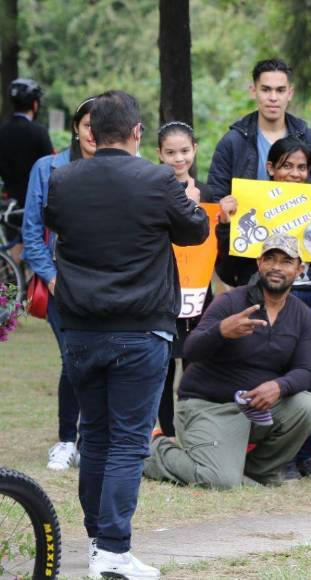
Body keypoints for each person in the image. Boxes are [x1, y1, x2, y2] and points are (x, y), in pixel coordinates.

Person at [44, 90, 209, 579]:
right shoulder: (157, 180)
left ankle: (101, 542)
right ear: (137, 132)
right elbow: (195, 231)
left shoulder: (63, 178)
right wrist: (191, 202)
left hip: (80, 328)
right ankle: (112, 552)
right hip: (140, 327)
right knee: (127, 442)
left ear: (91, 133)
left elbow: (55, 223)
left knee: (93, 436)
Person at [143, 234, 311, 490]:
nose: (276, 267)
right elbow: (191, 349)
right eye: (270, 259)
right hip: (209, 406)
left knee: (308, 405)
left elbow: (306, 370)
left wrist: (278, 386)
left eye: (286, 261)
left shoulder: (302, 314)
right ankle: (152, 451)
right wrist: (221, 332)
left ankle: (256, 471)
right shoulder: (231, 301)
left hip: (257, 411)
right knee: (220, 481)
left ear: (299, 269)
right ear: (259, 263)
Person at [218, 137, 311, 480]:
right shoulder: (251, 203)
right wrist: (226, 226)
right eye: (286, 166)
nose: (294, 173)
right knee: (263, 375)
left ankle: (308, 456)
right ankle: (271, 457)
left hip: (309, 298)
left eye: (301, 167)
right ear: (270, 168)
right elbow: (229, 271)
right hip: (261, 298)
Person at [22, 96, 96, 471]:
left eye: (101, 127)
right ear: (76, 128)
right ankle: (67, 439)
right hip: (61, 284)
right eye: (88, 125)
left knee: (99, 359)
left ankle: (91, 441)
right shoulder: (47, 168)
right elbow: (32, 232)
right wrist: (50, 277)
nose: (94, 134)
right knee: (73, 357)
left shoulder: (120, 169)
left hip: (104, 283)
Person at [208, 58, 311, 287]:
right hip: (249, 259)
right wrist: (224, 211)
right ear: (253, 90)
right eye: (266, 89)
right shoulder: (233, 142)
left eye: (280, 90)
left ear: (290, 93)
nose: (273, 97)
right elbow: (216, 196)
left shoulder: (309, 139)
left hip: (300, 260)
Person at [155, 121, 214, 437]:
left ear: (195, 150)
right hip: (164, 291)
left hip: (199, 292)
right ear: (159, 154)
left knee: (196, 363)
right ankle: (165, 430)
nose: (179, 159)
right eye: (170, 153)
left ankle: (193, 430)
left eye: (184, 151)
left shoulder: (208, 191)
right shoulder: (152, 190)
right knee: (163, 365)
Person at [0, 79, 53, 208]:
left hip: (9, 201)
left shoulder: (2, 131)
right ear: (35, 104)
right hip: (36, 201)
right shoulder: (39, 132)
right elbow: (51, 166)